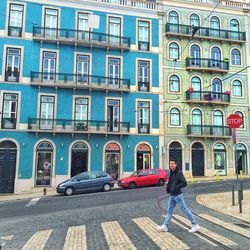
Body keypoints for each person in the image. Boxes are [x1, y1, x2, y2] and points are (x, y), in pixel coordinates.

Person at [157, 159, 200, 233]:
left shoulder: (179, 173)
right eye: (170, 163)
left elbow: (184, 183)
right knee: (169, 210)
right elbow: (170, 182)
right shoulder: (172, 172)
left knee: (185, 209)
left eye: (172, 163)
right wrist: (169, 188)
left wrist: (175, 187)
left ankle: (195, 225)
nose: (171, 165)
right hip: (172, 195)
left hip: (178, 195)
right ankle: (165, 226)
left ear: (176, 164)